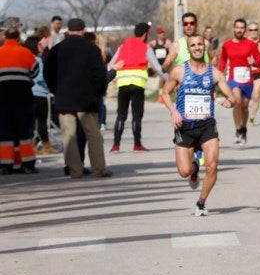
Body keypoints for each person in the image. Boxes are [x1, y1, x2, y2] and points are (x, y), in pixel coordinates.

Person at [161, 34, 235, 216]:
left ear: (205, 47)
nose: (196, 48)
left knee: (212, 166)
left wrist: (230, 101)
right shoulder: (179, 71)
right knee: (184, 171)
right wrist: (173, 111)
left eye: (200, 44)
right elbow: (164, 93)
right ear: (188, 49)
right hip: (184, 126)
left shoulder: (215, 73)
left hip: (207, 125)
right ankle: (194, 167)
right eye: (193, 45)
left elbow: (231, 95)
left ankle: (201, 203)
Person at [42, 18, 110, 179]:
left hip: (64, 98)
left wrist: (56, 90)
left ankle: (75, 170)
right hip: (87, 99)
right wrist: (98, 92)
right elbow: (100, 74)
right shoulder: (91, 49)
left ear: (68, 30)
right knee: (93, 135)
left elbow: (48, 73)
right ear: (83, 30)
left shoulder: (57, 49)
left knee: (68, 136)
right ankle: (98, 169)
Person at [108, 22, 167, 153]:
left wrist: (111, 78)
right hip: (137, 85)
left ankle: (116, 146)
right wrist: (171, 79)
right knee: (136, 115)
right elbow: (157, 68)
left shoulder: (122, 46)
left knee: (121, 115)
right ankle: (137, 145)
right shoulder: (146, 48)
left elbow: (111, 64)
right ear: (145, 34)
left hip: (123, 84)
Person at [0, 26, 39, 174]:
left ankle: (5, 165)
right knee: (24, 132)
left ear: (5, 38)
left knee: (5, 133)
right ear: (18, 38)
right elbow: (35, 71)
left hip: (2, 100)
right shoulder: (25, 52)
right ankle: (27, 164)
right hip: (23, 98)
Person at [218, 18, 260, 146]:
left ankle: (243, 128)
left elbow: (259, 59)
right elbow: (222, 60)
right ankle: (238, 130)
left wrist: (253, 62)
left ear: (245, 30)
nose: (239, 30)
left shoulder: (250, 44)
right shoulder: (227, 45)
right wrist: (219, 73)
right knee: (236, 101)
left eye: (242, 28)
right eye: (237, 27)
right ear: (233, 28)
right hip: (233, 79)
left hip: (247, 80)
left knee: (244, 107)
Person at [246, 22, 260, 125]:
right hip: (245, 72)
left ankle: (252, 117)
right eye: (251, 30)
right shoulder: (243, 42)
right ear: (247, 31)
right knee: (244, 98)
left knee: (256, 95)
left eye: (255, 30)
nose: (253, 32)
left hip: (257, 71)